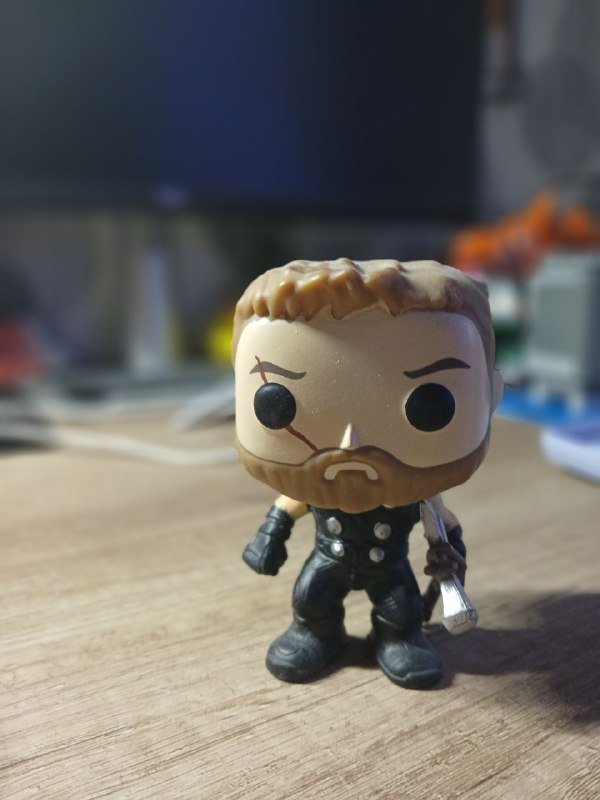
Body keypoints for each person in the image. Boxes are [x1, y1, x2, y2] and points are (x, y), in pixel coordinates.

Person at [233, 258, 503, 688]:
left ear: (491, 395)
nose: (350, 444)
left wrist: (451, 553)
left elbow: (442, 523)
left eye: (431, 405)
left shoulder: (418, 495)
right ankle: (315, 632)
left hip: (387, 563)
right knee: (311, 597)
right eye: (275, 402)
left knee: (401, 607)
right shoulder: (316, 485)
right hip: (330, 556)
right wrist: (271, 532)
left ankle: (399, 637)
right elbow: (293, 502)